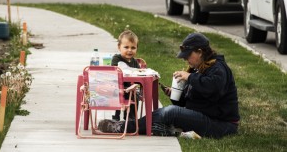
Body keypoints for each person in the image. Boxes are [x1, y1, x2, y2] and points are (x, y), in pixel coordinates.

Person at [98, 32, 240, 139]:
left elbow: (212, 88)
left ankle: (122, 127)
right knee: (167, 112)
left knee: (170, 112)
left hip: (221, 124)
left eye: (187, 55)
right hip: (206, 116)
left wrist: (190, 77)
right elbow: (190, 102)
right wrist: (175, 94)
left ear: (200, 52)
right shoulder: (199, 69)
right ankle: (141, 126)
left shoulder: (218, 68)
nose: (185, 59)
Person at [111, 29, 140, 121]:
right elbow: (116, 71)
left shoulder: (135, 62)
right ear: (119, 47)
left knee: (135, 94)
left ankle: (131, 119)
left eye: (133, 48)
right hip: (117, 87)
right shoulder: (116, 58)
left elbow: (139, 75)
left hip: (130, 89)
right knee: (116, 93)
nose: (129, 50)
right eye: (126, 47)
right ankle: (115, 117)